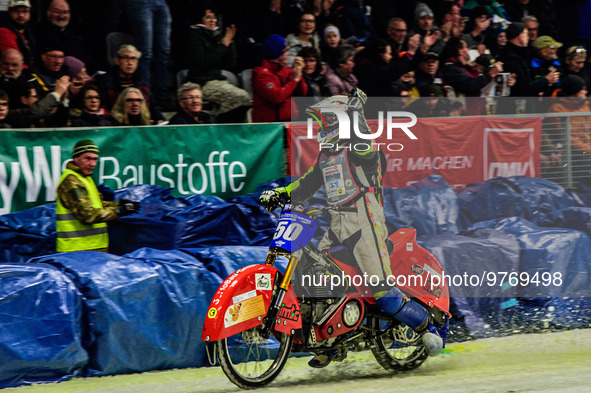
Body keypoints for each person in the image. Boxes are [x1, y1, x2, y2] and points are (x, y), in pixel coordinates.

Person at [258, 89, 444, 367]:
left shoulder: (362, 150)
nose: (319, 128)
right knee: (317, 280)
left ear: (339, 121)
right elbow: (306, 185)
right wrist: (280, 194)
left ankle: (427, 328)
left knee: (383, 295)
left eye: (324, 122)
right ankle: (332, 342)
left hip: (365, 223)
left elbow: (367, 150)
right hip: (336, 225)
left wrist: (356, 115)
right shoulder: (326, 157)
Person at [56, 139, 140, 252]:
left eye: (95, 159)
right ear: (76, 159)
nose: (92, 164)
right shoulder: (72, 182)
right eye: (88, 159)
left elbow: (97, 205)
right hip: (78, 253)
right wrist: (119, 210)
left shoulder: (85, 178)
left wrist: (119, 204)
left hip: (91, 249)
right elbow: (88, 215)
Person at [186, 7, 251, 123]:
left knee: (242, 101)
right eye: (208, 17)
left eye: (214, 17)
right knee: (242, 97)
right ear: (200, 20)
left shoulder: (217, 36)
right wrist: (223, 46)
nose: (213, 20)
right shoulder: (194, 37)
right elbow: (204, 63)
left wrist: (230, 43)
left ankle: (216, 120)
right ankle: (214, 122)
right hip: (202, 82)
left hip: (218, 80)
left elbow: (231, 63)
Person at [118, 0, 172, 107]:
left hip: (161, 2)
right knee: (145, 53)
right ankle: (144, 96)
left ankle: (163, 96)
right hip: (141, 2)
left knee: (163, 52)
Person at [95, 44, 164, 123]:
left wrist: (160, 119)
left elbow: (152, 106)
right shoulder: (105, 81)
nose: (130, 63)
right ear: (117, 60)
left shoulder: (142, 81)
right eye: (126, 58)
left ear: (137, 62)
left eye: (133, 58)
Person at [251, 34, 308, 122]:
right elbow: (277, 97)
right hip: (269, 129)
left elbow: (302, 93)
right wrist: (294, 81)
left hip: (289, 124)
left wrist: (298, 72)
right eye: (285, 51)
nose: (288, 53)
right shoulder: (260, 74)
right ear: (276, 54)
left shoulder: (286, 70)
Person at [34, 0, 96, 73]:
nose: (61, 16)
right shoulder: (39, 33)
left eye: (65, 12)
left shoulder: (73, 34)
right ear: (48, 12)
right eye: (56, 11)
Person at [0, 0, 36, 68]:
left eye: (25, 11)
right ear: (9, 12)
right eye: (16, 11)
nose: (21, 15)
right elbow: (13, 61)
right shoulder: (4, 31)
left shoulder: (28, 30)